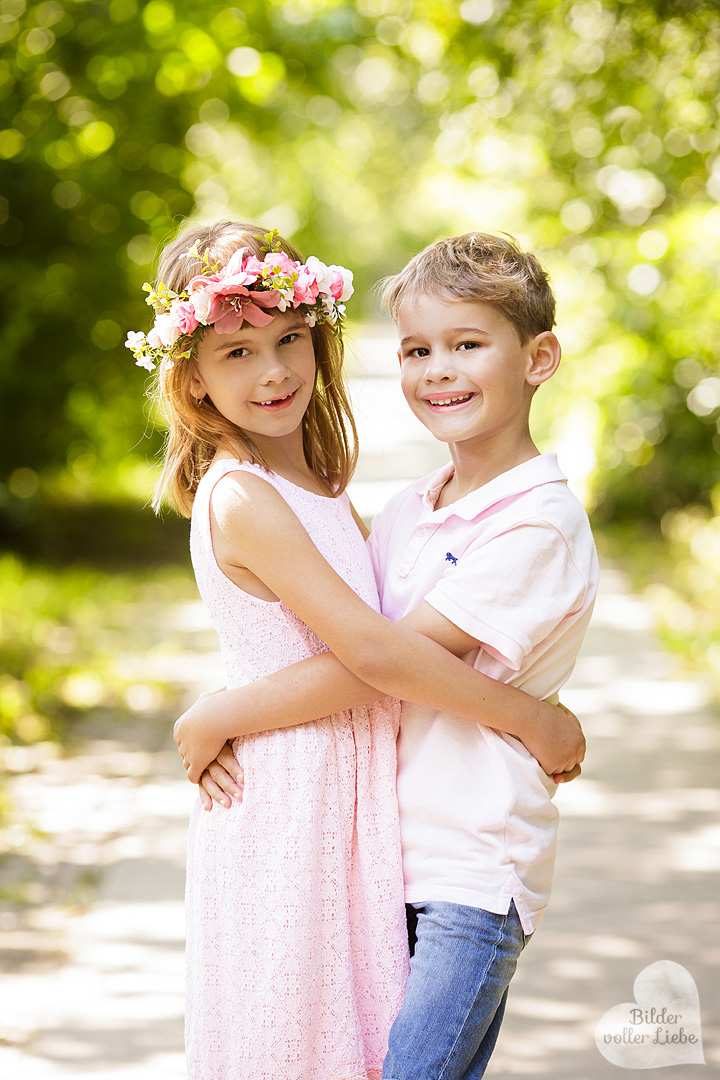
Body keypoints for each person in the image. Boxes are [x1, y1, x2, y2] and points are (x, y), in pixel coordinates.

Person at [174, 231, 599, 1080]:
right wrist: (540, 722)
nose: (272, 371)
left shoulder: (517, 519)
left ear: (537, 358)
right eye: (417, 350)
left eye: (467, 345)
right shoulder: (396, 507)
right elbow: (372, 651)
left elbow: (383, 652)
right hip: (345, 831)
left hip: (460, 855)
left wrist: (223, 709)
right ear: (193, 374)